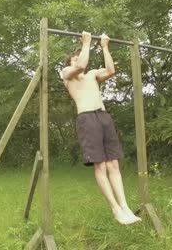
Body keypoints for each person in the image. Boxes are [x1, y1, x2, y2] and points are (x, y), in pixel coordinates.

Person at [60, 31, 141, 225]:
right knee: (101, 165)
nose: (78, 61)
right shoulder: (67, 75)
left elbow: (111, 70)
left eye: (79, 57)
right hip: (87, 118)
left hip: (103, 117)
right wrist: (86, 43)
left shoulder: (92, 75)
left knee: (113, 164)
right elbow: (80, 65)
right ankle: (115, 209)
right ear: (69, 64)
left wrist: (105, 47)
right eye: (74, 59)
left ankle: (125, 207)